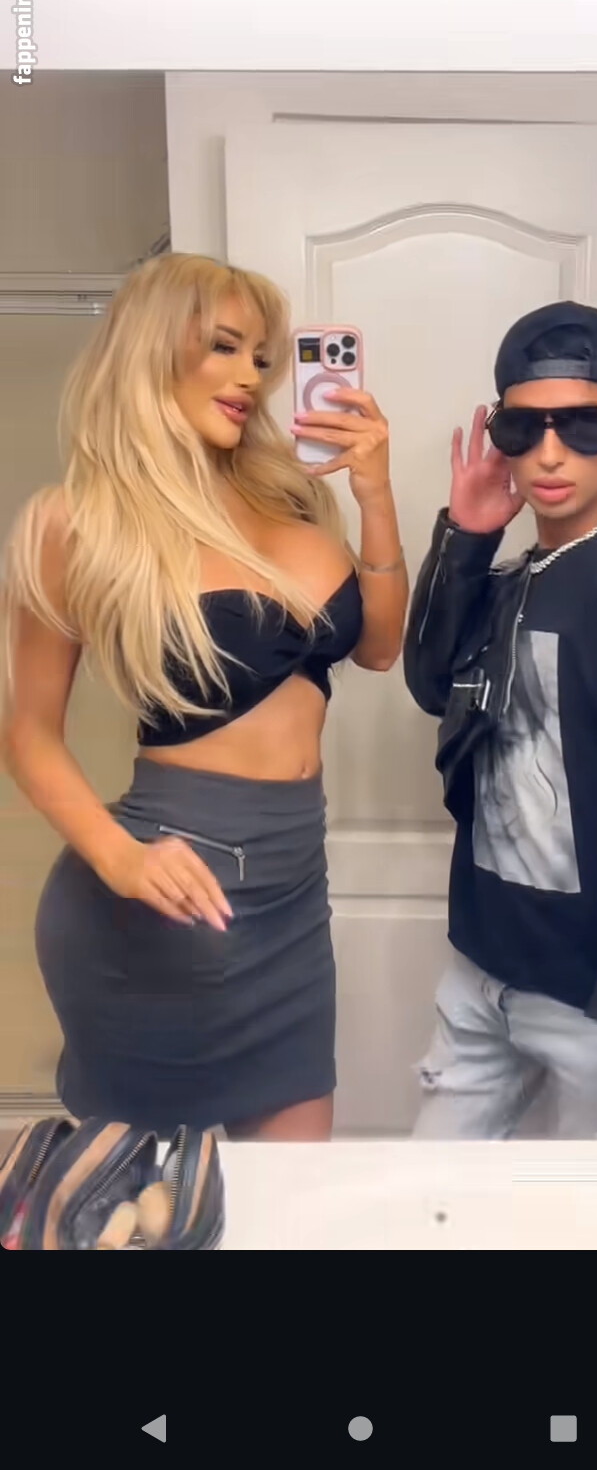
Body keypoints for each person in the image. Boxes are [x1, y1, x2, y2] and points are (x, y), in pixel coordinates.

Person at [0, 252, 407, 1141]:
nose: (249, 377)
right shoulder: (74, 522)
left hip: (294, 896)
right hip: (162, 897)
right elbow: (27, 733)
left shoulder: (288, 498)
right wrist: (120, 859)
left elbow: (379, 647)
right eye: (224, 347)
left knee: (293, 1204)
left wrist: (374, 494)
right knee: (140, 1203)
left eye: (260, 357)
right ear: (152, 350)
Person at [404, 300, 597, 1139]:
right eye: (523, 426)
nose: (549, 454)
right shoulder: (523, 572)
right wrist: (467, 537)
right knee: (430, 1192)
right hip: (482, 968)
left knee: (594, 1210)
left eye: (580, 425)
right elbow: (433, 684)